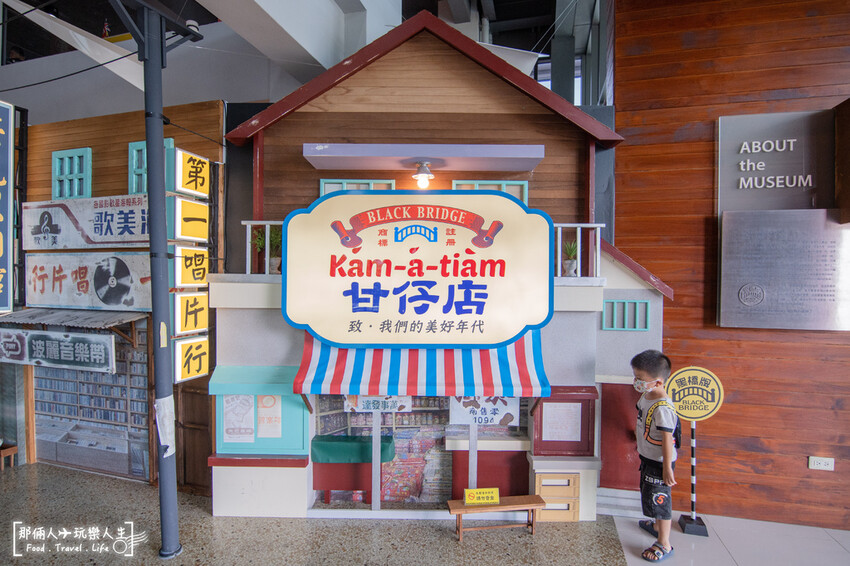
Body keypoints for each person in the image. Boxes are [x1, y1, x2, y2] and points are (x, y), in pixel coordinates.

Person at [631, 349, 679, 562]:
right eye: (636, 376)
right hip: (647, 457)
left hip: (660, 462)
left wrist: (667, 467)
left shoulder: (663, 408)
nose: (637, 382)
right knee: (649, 492)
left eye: (640, 379)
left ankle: (664, 542)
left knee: (660, 499)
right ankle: (656, 525)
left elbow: (667, 439)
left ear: (658, 382)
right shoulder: (645, 396)